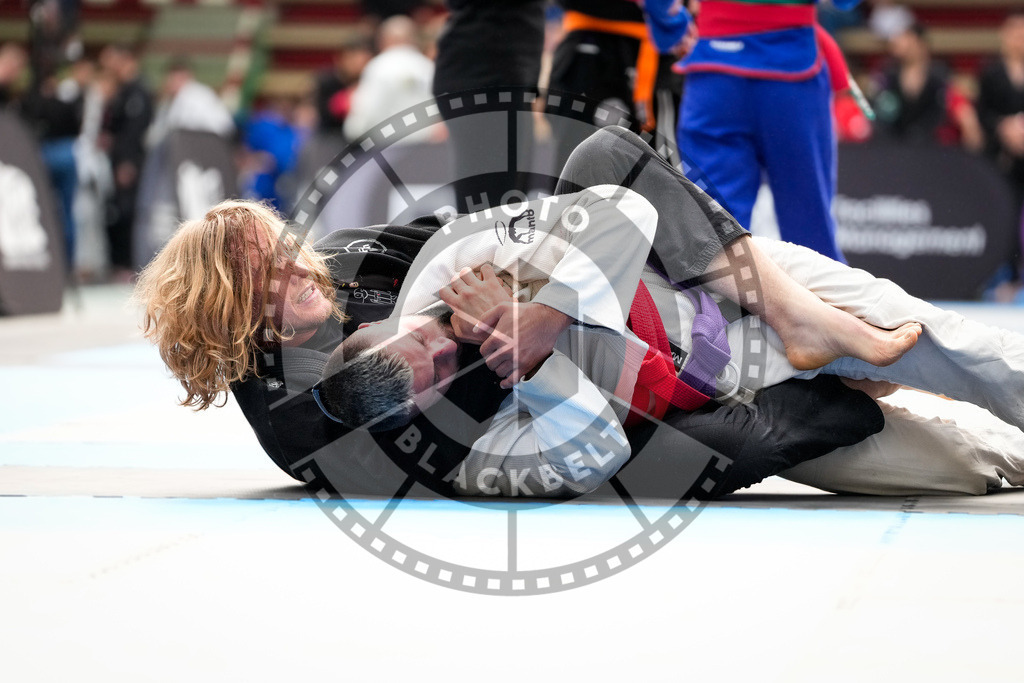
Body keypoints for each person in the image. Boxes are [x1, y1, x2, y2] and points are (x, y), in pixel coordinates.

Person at [320, 126, 1024, 498]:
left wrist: (547, 311)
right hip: (727, 397)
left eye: (423, 345)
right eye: (436, 377)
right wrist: (532, 366)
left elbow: (622, 209)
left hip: (720, 288)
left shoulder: (450, 262)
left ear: (380, 326)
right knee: (958, 468)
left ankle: (802, 319)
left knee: (951, 346)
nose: (446, 351)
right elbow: (597, 453)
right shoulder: (459, 450)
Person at [644, 0, 860, 262]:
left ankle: (711, 290)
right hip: (792, 73)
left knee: (711, 236)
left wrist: (671, 27)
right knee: (811, 237)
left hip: (715, 73)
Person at [872, 22, 983, 151]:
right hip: (896, 143)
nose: (899, 43)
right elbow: (881, 111)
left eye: (906, 39)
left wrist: (970, 125)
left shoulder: (939, 74)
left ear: (920, 43)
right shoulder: (888, 74)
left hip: (933, 145)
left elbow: (958, 103)